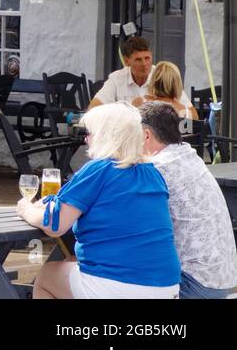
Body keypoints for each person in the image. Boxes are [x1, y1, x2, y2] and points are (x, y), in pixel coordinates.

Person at [18, 102, 179, 298]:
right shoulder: (153, 173)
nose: (86, 139)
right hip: (167, 287)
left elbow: (55, 224)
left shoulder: (99, 169)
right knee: (70, 262)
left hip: (119, 286)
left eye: (90, 133)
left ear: (106, 136)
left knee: (46, 276)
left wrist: (26, 209)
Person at [140, 102, 237, 298]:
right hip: (223, 279)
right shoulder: (188, 155)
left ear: (146, 135)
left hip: (193, 285)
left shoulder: (158, 167)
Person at [89, 36, 152, 107]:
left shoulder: (161, 76)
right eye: (138, 60)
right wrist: (131, 108)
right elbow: (93, 108)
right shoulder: (117, 78)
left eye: (147, 58)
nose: (144, 64)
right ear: (126, 61)